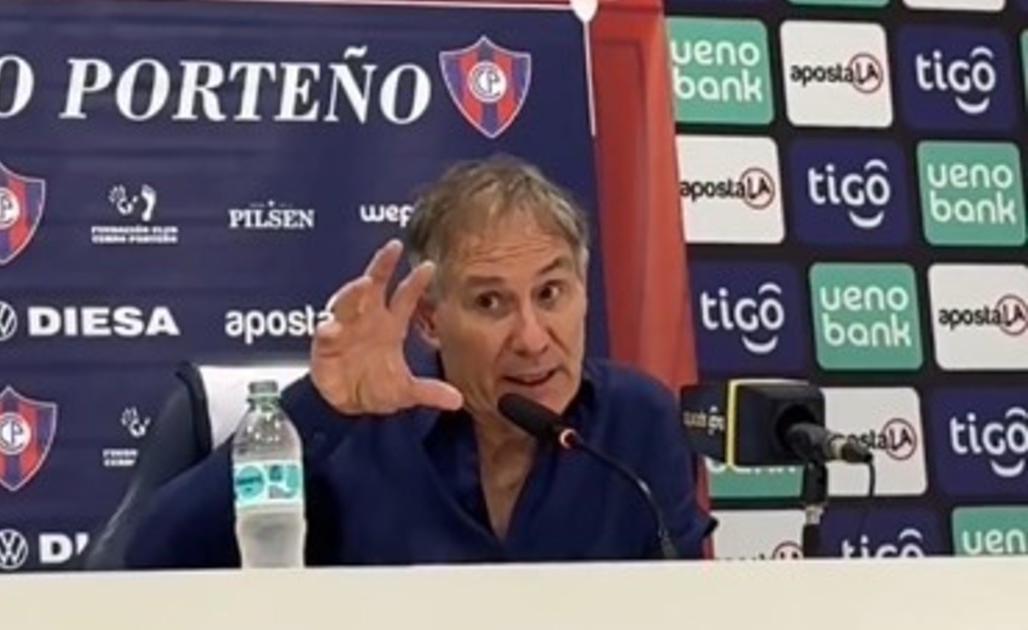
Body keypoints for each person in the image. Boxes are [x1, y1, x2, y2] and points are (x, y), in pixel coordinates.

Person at [124, 154, 714, 568]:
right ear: (430, 321)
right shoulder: (358, 434)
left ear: (583, 292)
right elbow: (153, 558)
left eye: (550, 293)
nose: (533, 338)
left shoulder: (638, 424)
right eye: (490, 302)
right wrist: (317, 410)